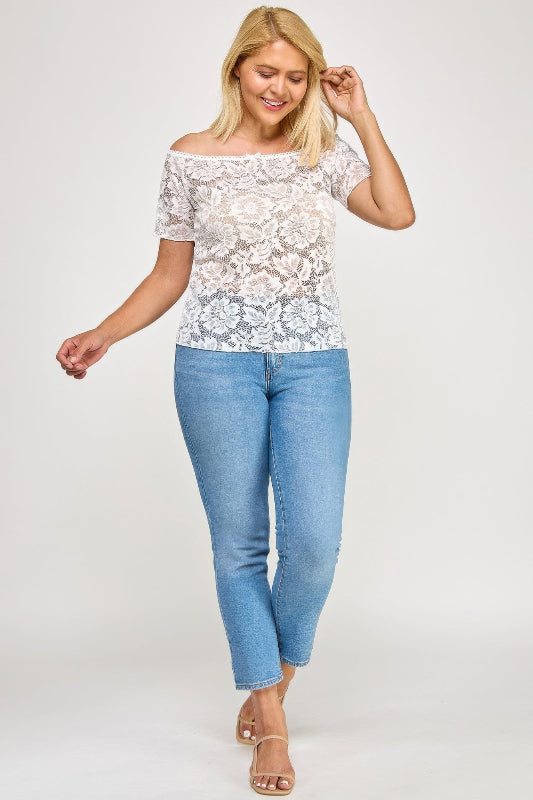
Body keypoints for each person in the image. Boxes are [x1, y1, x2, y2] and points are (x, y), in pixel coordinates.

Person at [56, 5, 415, 795]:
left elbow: (396, 214)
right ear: (235, 71)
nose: (280, 88)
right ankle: (272, 724)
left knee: (315, 543)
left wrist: (360, 114)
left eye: (294, 76)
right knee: (240, 547)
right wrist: (104, 334)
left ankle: (273, 680)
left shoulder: (324, 152)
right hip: (213, 365)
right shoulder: (189, 157)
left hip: (314, 364)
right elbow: (167, 276)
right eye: (266, 73)